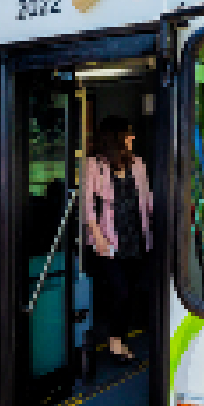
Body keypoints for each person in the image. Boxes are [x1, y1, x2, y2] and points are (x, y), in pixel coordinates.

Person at [82, 115, 153, 361]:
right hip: (108, 241)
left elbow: (147, 200)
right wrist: (97, 237)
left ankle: (119, 337)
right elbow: (87, 205)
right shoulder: (94, 165)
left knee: (131, 292)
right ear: (116, 138)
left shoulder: (138, 164)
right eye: (128, 133)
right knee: (120, 291)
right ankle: (114, 342)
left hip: (136, 238)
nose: (133, 138)